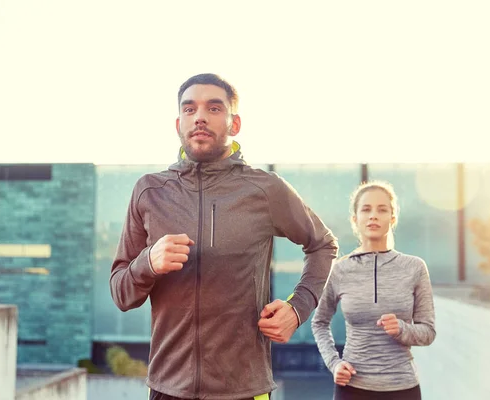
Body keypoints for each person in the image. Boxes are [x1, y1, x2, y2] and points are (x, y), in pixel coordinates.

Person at [110, 73, 339, 400]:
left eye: (214, 108)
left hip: (245, 389)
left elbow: (322, 245)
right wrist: (148, 262)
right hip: (166, 389)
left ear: (235, 124)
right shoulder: (149, 191)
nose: (199, 116)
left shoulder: (265, 189)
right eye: (189, 109)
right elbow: (121, 293)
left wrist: (298, 307)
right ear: (178, 124)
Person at [311, 181, 436, 400]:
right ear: (355, 219)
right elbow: (319, 322)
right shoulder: (340, 269)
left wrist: (402, 329)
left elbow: (428, 332)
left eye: (382, 209)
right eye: (366, 209)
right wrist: (334, 363)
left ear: (393, 218)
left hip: (403, 388)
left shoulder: (415, 267)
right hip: (352, 387)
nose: (373, 216)